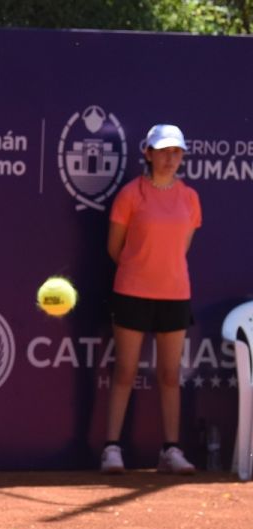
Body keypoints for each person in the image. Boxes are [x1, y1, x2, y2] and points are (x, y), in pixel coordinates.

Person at [100, 123, 202, 476]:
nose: (171, 158)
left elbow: (181, 248)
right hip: (131, 292)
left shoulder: (189, 197)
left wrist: (161, 272)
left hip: (175, 295)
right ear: (148, 153)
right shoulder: (130, 195)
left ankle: (170, 450)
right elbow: (115, 248)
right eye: (164, 151)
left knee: (170, 375)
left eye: (177, 152)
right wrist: (139, 271)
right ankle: (111, 448)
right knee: (126, 371)